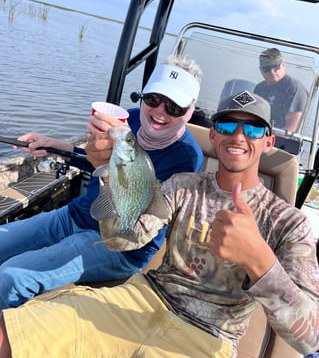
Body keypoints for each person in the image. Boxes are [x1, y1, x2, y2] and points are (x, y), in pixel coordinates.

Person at [1, 90, 318, 358]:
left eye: (252, 130)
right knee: (9, 335)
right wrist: (111, 174)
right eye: (227, 125)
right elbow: (122, 241)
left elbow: (309, 338)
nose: (238, 136)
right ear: (213, 134)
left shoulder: (289, 223)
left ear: (268, 141)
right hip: (142, 299)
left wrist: (258, 259)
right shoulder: (182, 186)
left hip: (209, 336)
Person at [0, 54, 204, 310]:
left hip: (119, 245)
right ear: (142, 97)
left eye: (174, 107)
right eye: (154, 99)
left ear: (190, 111)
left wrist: (109, 169)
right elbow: (92, 160)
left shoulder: (186, 158)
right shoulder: (128, 119)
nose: (160, 112)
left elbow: (133, 228)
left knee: (13, 277)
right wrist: (53, 145)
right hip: (75, 215)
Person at [254, 47, 308, 132]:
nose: (272, 72)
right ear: (261, 70)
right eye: (266, 69)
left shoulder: (295, 88)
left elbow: (291, 129)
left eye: (275, 67)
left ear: (283, 64)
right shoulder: (259, 88)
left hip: (282, 143)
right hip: (259, 135)